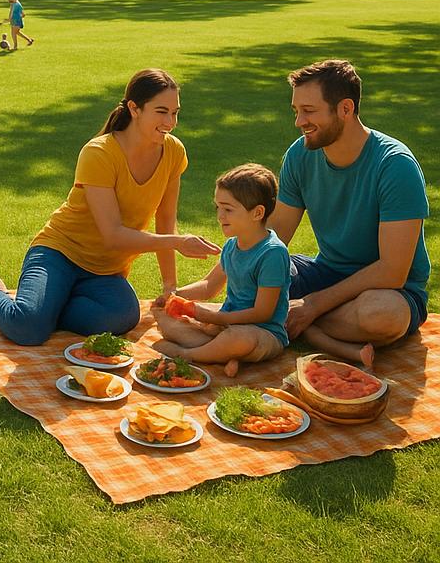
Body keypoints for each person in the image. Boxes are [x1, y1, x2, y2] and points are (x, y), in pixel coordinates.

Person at [0, 69, 220, 344]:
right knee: (28, 328)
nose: (171, 122)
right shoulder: (99, 153)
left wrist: (169, 285)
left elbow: (166, 217)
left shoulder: (173, 152)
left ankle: (47, 306)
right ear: (134, 109)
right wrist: (178, 242)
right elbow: (112, 234)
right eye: (161, 112)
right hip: (59, 253)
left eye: (175, 112)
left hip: (105, 270)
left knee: (124, 316)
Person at [270, 59, 431, 367]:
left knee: (380, 316)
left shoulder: (395, 165)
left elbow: (392, 271)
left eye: (309, 111)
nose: (298, 121)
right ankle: (304, 323)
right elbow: (272, 238)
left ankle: (287, 319)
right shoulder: (300, 154)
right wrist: (211, 285)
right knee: (259, 273)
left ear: (345, 108)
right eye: (296, 111)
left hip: (390, 290)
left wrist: (313, 305)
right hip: (327, 273)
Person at [154, 164, 289, 376]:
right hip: (225, 327)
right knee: (166, 320)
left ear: (257, 213)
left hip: (262, 332)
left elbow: (263, 313)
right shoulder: (232, 246)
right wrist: (175, 295)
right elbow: (209, 287)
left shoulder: (272, 254)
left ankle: (187, 355)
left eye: (228, 209)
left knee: (239, 339)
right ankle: (224, 356)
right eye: (218, 207)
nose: (219, 216)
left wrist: (213, 317)